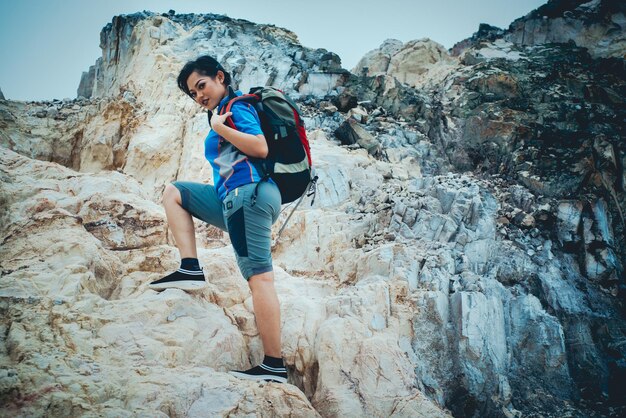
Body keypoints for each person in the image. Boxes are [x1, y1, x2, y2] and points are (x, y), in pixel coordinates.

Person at [148, 55, 287, 384]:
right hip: (231, 199)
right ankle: (190, 267)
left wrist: (221, 128)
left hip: (248, 195)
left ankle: (273, 365)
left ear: (220, 78)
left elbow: (260, 148)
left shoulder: (235, 107)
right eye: (193, 93)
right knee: (175, 192)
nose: (199, 96)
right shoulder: (221, 113)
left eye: (201, 85)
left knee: (260, 279)